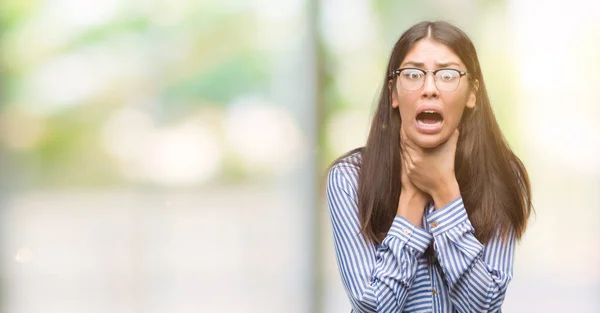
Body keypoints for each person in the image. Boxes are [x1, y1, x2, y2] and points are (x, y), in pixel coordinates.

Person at [326, 21, 532, 313]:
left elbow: (484, 307)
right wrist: (411, 199)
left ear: (472, 92)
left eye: (447, 75)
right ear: (394, 93)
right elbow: (372, 307)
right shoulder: (349, 178)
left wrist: (444, 189)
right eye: (413, 74)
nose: (430, 89)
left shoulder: (502, 174)